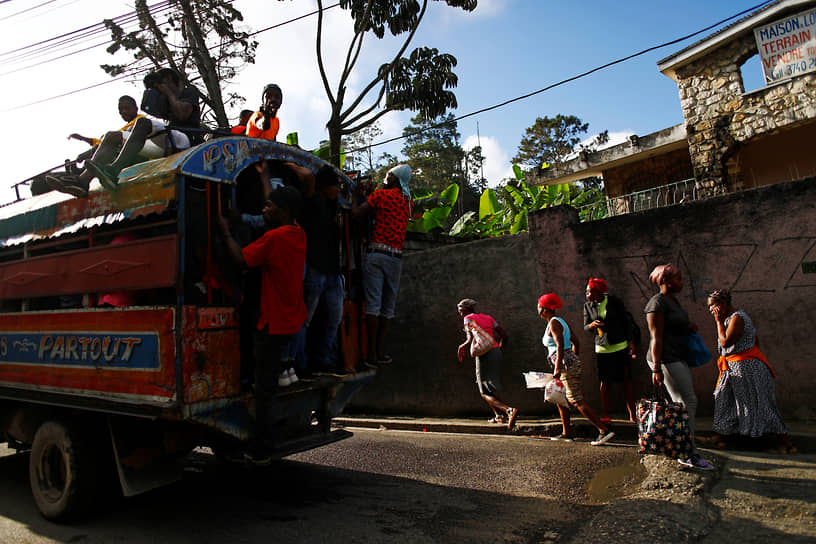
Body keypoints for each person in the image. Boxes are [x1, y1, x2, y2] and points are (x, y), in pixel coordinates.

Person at [216, 183, 307, 464]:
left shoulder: (275, 238)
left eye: (269, 206)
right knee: (272, 374)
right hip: (291, 318)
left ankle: (262, 448)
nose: (264, 209)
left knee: (264, 388)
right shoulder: (299, 233)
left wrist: (225, 230)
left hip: (272, 320)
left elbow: (240, 259)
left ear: (283, 210)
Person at [706, 289, 795, 453]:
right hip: (733, 368)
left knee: (760, 405)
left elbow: (725, 342)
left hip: (747, 369)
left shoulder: (737, 318)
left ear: (723, 304)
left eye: (713, 306)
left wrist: (718, 322)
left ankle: (785, 442)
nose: (711, 310)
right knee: (725, 400)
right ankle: (721, 436)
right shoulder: (730, 318)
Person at [645, 264, 715, 470]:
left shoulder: (671, 301)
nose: (681, 283)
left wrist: (687, 326)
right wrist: (656, 368)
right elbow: (655, 337)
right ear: (666, 281)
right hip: (665, 358)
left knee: (683, 403)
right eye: (678, 279)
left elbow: (671, 326)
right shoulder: (656, 303)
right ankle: (688, 453)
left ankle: (684, 447)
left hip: (676, 355)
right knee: (686, 402)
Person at [85, 68, 201, 192]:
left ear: (168, 79)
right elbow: (149, 108)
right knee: (113, 136)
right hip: (167, 142)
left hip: (186, 140)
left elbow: (183, 114)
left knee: (142, 123)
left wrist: (168, 92)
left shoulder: (189, 91)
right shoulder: (167, 99)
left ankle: (114, 170)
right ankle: (83, 181)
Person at [351, 164, 412, 366]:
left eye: (388, 175)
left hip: (377, 254)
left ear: (394, 179)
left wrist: (354, 197)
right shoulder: (407, 202)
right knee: (387, 308)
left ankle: (370, 355)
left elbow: (357, 215)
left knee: (373, 305)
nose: (384, 178)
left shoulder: (380, 196)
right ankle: (380, 352)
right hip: (396, 258)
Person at [538, 293, 615, 445]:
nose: (538, 308)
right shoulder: (559, 321)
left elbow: (560, 345)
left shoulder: (554, 323)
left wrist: (560, 366)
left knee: (576, 400)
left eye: (539, 305)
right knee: (560, 399)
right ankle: (567, 433)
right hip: (567, 363)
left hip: (564, 366)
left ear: (545, 308)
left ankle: (604, 430)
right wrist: (573, 358)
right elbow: (576, 342)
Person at [290, 165, 346, 376]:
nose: (338, 191)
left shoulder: (332, 206)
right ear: (325, 187)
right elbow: (308, 178)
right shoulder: (312, 202)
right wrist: (293, 162)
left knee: (332, 319)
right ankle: (302, 364)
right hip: (315, 269)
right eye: (335, 186)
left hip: (331, 271)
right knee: (306, 320)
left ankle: (322, 360)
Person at [45, 96, 145, 197]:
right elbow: (103, 142)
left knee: (101, 149)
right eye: (120, 110)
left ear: (136, 108)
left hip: (134, 156)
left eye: (127, 108)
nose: (123, 112)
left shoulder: (140, 121)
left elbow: (114, 141)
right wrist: (83, 140)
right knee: (97, 152)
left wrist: (89, 150)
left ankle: (80, 179)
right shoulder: (124, 128)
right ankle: (76, 176)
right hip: (119, 154)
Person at [456, 299, 518, 430]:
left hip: (484, 353)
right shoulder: (488, 317)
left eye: (460, 310)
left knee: (483, 391)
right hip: (495, 351)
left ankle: (509, 410)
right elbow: (504, 335)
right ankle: (498, 416)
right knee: (488, 387)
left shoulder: (468, 318)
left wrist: (463, 345)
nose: (460, 313)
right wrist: (498, 349)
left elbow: (469, 337)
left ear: (466, 309)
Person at [583, 277, 637, 423]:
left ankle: (632, 413)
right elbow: (586, 326)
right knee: (605, 382)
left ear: (598, 291)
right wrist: (592, 325)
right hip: (602, 348)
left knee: (627, 380)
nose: (587, 294)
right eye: (587, 292)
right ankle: (606, 414)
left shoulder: (614, 302)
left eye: (589, 291)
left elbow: (626, 322)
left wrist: (631, 342)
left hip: (620, 346)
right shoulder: (588, 306)